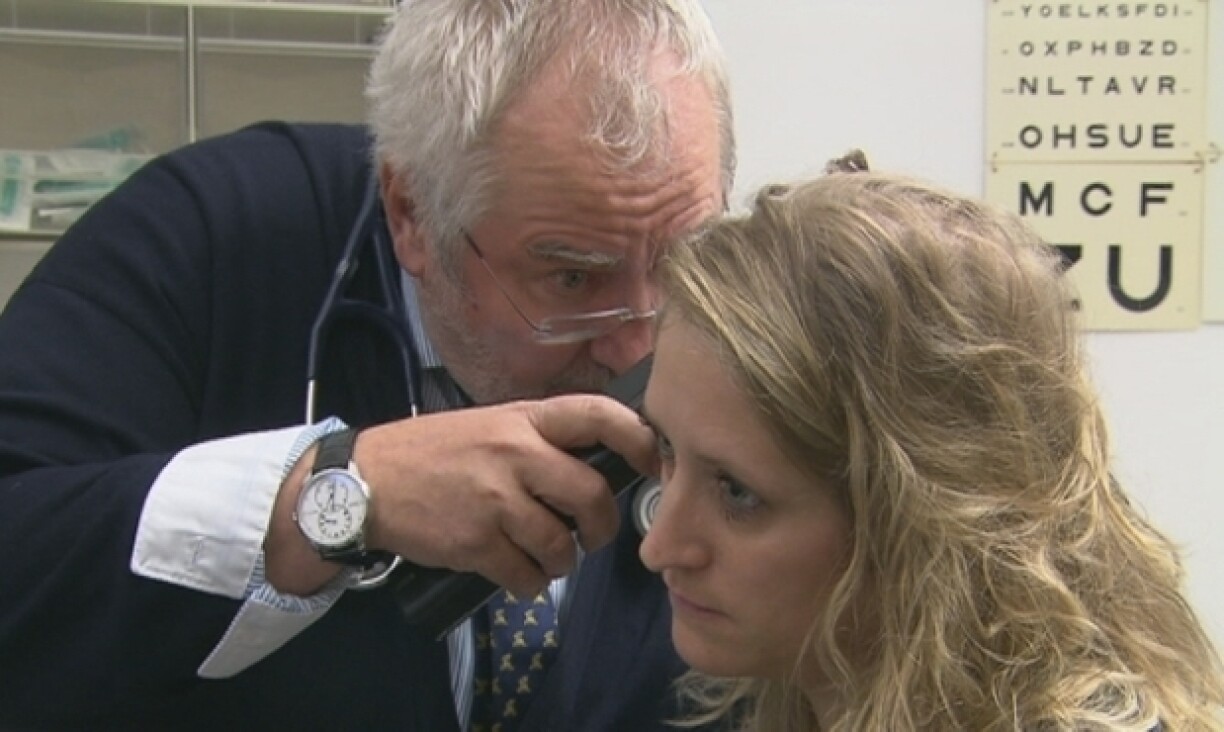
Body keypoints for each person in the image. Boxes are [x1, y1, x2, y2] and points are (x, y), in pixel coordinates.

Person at [0, 0, 734, 729]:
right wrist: (333, 496)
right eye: (572, 279)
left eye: (683, 260)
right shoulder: (206, 237)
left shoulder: (730, 309)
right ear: (410, 212)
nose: (639, 349)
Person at [638, 153, 1224, 731]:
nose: (658, 547)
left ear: (923, 512)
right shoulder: (797, 682)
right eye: (666, 448)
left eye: (737, 493)